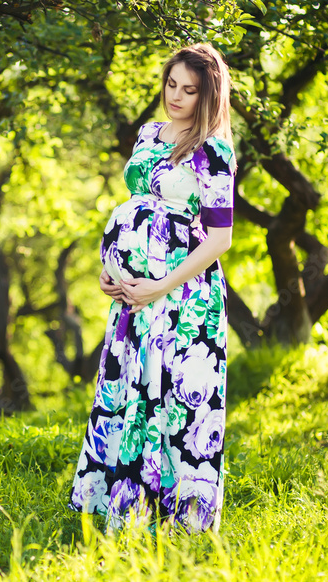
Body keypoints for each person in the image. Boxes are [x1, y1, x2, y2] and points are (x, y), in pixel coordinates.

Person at [68, 43, 235, 533]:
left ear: (208, 96)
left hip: (184, 295)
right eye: (171, 85)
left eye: (190, 90)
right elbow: (138, 204)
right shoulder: (148, 133)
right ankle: (128, 511)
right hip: (135, 297)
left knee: (175, 400)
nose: (176, 96)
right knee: (133, 392)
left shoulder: (214, 150)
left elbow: (220, 237)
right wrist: (112, 269)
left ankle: (182, 522)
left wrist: (159, 285)